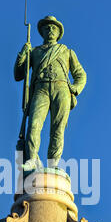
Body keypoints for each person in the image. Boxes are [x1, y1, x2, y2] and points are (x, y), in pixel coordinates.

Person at [14, 15, 87, 171]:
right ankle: (32, 159)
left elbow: (80, 74)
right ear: (42, 32)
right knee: (34, 125)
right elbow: (18, 74)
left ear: (58, 32)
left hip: (62, 89)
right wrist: (23, 53)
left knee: (58, 129)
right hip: (40, 88)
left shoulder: (66, 51)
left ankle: (53, 164)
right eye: (47, 27)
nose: (50, 29)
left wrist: (75, 88)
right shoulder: (35, 52)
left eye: (54, 27)